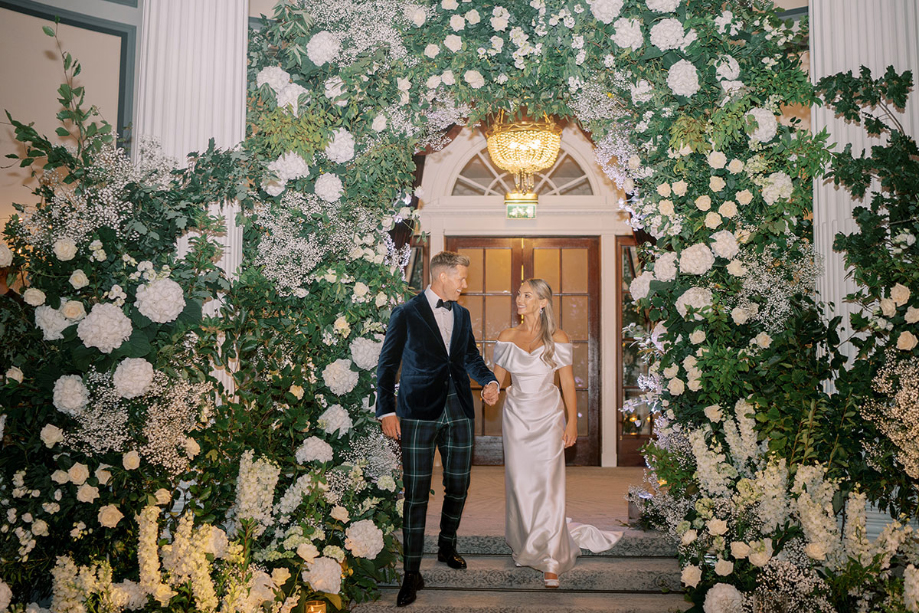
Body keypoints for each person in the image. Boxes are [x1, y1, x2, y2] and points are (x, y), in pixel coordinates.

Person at [376, 251, 499, 607]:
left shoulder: (461, 314)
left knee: (459, 483)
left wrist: (488, 381)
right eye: (461, 278)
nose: (465, 284)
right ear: (442, 277)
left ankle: (447, 544)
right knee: (415, 492)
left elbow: (469, 356)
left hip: (459, 408)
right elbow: (387, 365)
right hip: (416, 412)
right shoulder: (406, 312)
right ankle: (411, 572)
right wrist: (386, 410)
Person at [491, 278, 620, 588]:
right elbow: (496, 381)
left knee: (548, 485)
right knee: (521, 484)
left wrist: (572, 423)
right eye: (519, 294)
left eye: (526, 295)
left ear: (543, 302)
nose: (519, 299)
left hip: (549, 416)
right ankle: (526, 542)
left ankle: (551, 557)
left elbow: (566, 384)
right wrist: (490, 392)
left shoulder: (558, 338)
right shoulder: (507, 337)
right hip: (516, 417)